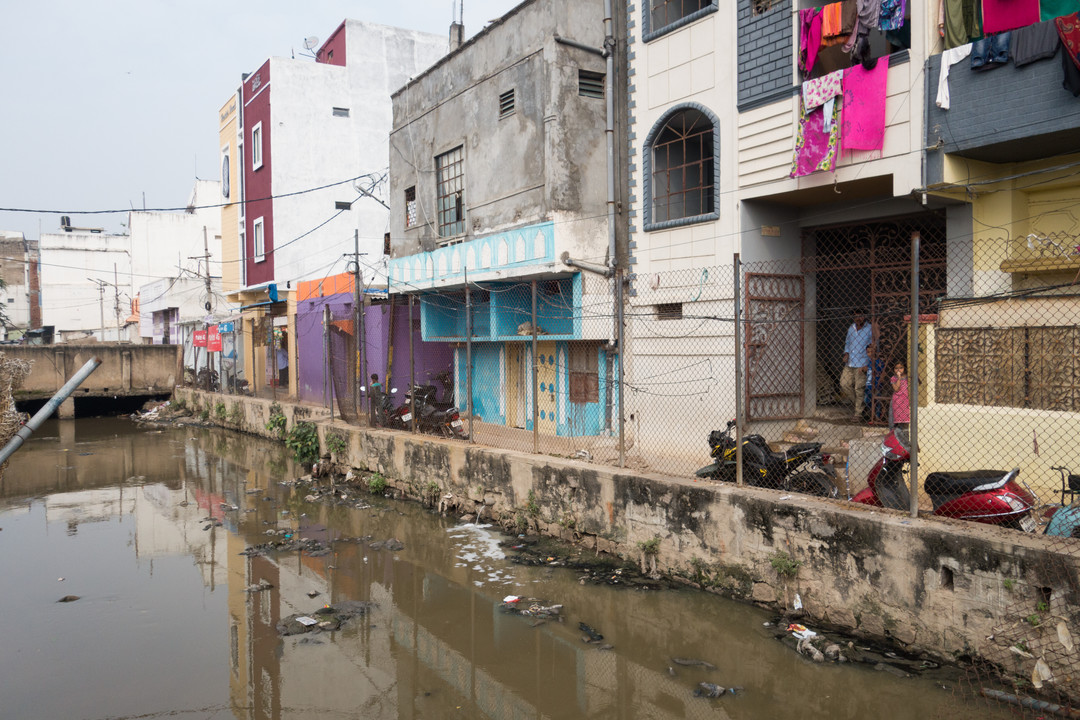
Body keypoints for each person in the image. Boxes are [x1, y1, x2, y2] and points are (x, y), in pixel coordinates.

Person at [840, 310, 873, 421]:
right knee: (844, 384)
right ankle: (861, 406)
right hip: (850, 362)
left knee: (859, 388)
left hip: (862, 363)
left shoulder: (869, 329)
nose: (858, 318)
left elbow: (873, 346)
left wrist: (869, 364)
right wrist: (846, 353)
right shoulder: (851, 328)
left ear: (865, 317)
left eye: (860, 316)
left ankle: (858, 413)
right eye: (856, 317)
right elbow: (848, 343)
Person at [864, 345, 886, 422]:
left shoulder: (878, 361)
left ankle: (877, 416)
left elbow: (882, 372)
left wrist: (880, 379)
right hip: (868, 385)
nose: (870, 354)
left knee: (877, 400)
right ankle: (872, 414)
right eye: (868, 352)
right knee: (867, 400)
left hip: (876, 385)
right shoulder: (869, 361)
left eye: (872, 351)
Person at [890, 360, 910, 428]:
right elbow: (896, 389)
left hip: (906, 399)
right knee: (898, 419)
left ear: (904, 368)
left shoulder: (908, 377)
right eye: (896, 368)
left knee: (907, 419)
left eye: (901, 368)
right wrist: (899, 378)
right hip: (897, 400)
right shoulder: (893, 378)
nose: (898, 370)